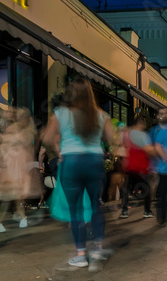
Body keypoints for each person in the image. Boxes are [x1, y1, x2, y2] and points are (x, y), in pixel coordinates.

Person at [42, 77, 114, 269]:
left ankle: (81, 255)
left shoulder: (60, 113)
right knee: (97, 205)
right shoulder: (101, 115)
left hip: (72, 162)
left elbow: (47, 138)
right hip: (94, 162)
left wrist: (59, 149)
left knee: (75, 211)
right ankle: (98, 249)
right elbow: (111, 138)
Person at [0, 107, 41, 232]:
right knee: (10, 195)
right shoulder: (14, 129)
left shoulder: (26, 129)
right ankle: (3, 220)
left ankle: (20, 216)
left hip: (19, 165)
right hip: (10, 165)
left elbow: (31, 144)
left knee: (18, 194)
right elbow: (3, 142)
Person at [119, 116, 156, 219]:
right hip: (141, 167)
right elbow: (148, 150)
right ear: (140, 123)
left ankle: (124, 211)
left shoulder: (126, 134)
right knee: (147, 189)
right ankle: (147, 211)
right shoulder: (143, 135)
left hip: (130, 165)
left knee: (126, 188)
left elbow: (121, 145)